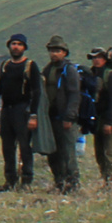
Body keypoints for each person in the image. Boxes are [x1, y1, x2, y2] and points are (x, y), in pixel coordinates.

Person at [0, 33, 40, 191]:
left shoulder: (30, 66)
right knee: (7, 147)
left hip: (22, 109)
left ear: (24, 47)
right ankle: (10, 180)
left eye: (19, 44)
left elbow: (36, 92)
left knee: (25, 147)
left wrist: (33, 114)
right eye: (13, 44)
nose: (16, 47)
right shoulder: (5, 65)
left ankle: (26, 181)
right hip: (7, 110)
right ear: (9, 46)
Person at [40, 36, 82, 193]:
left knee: (68, 153)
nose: (54, 54)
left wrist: (69, 117)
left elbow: (74, 95)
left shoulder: (69, 70)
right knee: (53, 153)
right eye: (52, 50)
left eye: (57, 51)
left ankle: (73, 185)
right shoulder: (48, 69)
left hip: (64, 119)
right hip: (50, 119)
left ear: (64, 52)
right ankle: (59, 183)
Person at [85, 48, 112, 185]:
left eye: (99, 57)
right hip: (97, 119)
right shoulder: (92, 74)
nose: (96, 60)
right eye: (94, 57)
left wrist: (109, 121)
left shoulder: (111, 75)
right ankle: (105, 180)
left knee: (109, 152)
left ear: (105, 59)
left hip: (111, 120)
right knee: (99, 153)